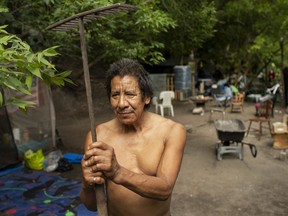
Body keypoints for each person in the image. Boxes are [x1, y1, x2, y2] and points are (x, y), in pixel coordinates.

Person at [80, 58, 187, 216]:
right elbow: (91, 206)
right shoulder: (97, 137)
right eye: (115, 95)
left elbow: (165, 189)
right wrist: (87, 184)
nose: (121, 103)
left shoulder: (171, 131)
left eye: (130, 94)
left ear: (147, 97)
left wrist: (117, 172)